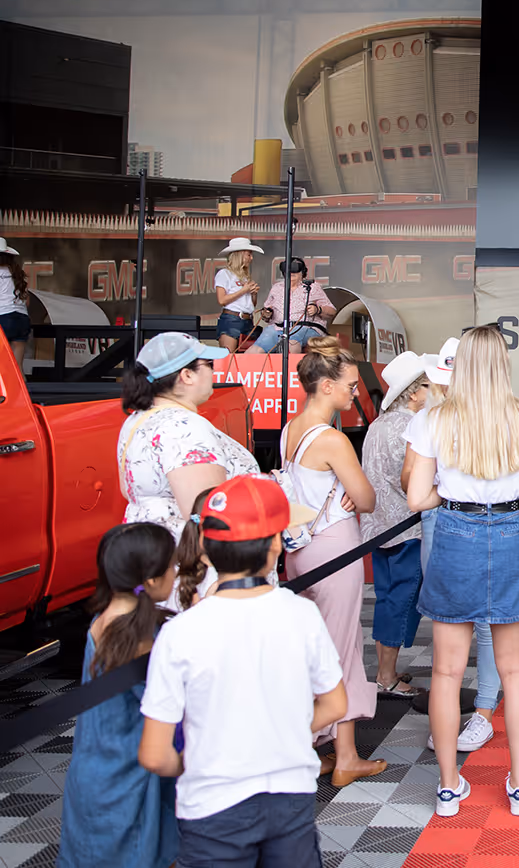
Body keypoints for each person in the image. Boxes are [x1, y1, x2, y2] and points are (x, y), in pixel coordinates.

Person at [138, 474, 348, 868]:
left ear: (206, 546)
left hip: (212, 808)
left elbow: (153, 754)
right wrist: (280, 734)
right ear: (274, 546)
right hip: (290, 800)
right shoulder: (301, 613)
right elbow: (336, 703)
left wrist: (200, 759)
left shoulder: (180, 632)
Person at [405, 324, 519, 818]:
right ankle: (518, 785)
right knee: (515, 672)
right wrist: (510, 489)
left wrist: (453, 495)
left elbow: (416, 497)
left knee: (446, 671)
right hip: (512, 535)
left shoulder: (434, 418)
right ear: (503, 364)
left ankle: (449, 788)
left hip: (455, 535)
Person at [282, 335, 384, 786]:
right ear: (325, 386)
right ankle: (344, 756)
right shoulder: (332, 439)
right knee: (342, 649)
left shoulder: (291, 429)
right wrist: (356, 496)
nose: (352, 393)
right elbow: (366, 497)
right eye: (346, 385)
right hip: (335, 549)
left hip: (300, 552)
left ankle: (316, 746)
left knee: (313, 650)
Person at [402, 339, 504, 755]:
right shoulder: (432, 419)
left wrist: (444, 488)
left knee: (457, 625)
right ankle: (471, 714)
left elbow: (411, 478)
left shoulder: (433, 419)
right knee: (473, 626)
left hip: (448, 520)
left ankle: (477, 713)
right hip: (448, 520)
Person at [58, 522, 179, 868]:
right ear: (152, 580)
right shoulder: (138, 638)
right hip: (127, 777)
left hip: (94, 767)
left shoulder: (106, 618)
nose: (176, 572)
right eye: (171, 566)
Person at [118, 332, 260, 544]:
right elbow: (207, 516)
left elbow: (128, 489)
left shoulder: (137, 420)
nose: (213, 371)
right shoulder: (185, 428)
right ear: (187, 375)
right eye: (208, 364)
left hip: (152, 552)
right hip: (193, 564)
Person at [360, 350, 434, 699]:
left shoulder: (378, 425)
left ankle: (385, 670)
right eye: (426, 385)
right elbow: (413, 481)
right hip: (407, 528)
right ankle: (387, 675)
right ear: (415, 392)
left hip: (377, 527)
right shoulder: (412, 427)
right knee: (402, 601)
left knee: (388, 597)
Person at [247, 258, 336, 355]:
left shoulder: (312, 287)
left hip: (305, 327)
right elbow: (266, 312)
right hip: (278, 328)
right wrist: (266, 314)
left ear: (303, 273)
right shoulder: (276, 288)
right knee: (256, 349)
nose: (291, 273)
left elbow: (332, 311)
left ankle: (290, 369)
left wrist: (318, 310)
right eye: (288, 271)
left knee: (291, 342)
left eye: (295, 271)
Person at [214, 237, 262, 352]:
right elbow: (222, 300)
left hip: (247, 320)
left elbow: (252, 304)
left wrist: (253, 294)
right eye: (248, 254)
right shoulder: (224, 274)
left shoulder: (245, 276)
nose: (251, 258)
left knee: (246, 358)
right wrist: (243, 290)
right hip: (231, 319)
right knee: (228, 357)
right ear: (239, 255)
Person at [0, 237, 31, 368]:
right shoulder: (16, 272)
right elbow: (27, 301)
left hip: (3, 317)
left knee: (2, 368)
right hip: (22, 318)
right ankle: (22, 388)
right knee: (17, 369)